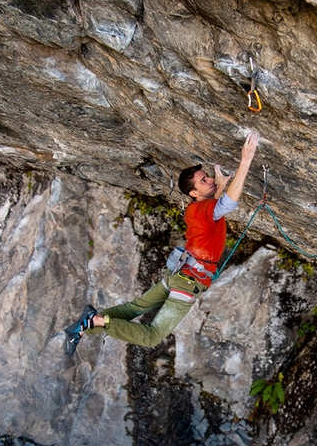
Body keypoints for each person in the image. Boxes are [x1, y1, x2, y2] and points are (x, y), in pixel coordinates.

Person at [64, 132, 259, 357]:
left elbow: (214, 207)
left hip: (179, 274)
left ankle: (84, 328)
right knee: (151, 336)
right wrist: (246, 160)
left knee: (134, 308)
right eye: (203, 180)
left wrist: (220, 184)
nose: (210, 180)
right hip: (187, 281)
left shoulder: (195, 208)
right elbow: (228, 204)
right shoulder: (205, 209)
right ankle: (93, 322)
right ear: (194, 193)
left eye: (207, 177)